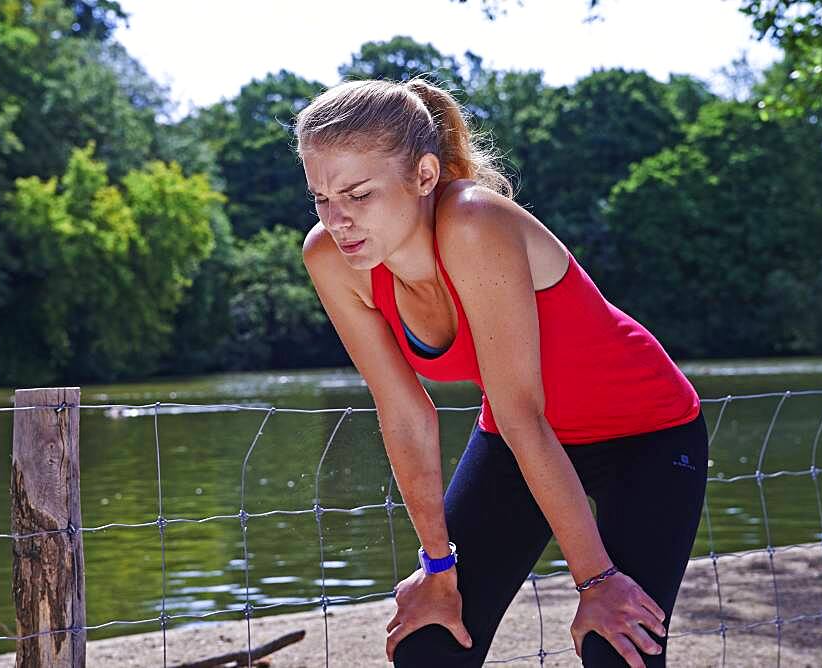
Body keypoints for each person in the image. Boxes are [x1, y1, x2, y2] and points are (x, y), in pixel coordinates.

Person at [294, 75, 708, 667]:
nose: (338, 220)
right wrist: (438, 570)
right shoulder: (331, 258)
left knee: (616, 646)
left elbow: (521, 412)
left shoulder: (472, 223)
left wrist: (595, 581)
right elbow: (404, 412)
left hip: (646, 432)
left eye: (359, 196)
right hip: (521, 440)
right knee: (430, 644)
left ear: (425, 176)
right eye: (321, 198)